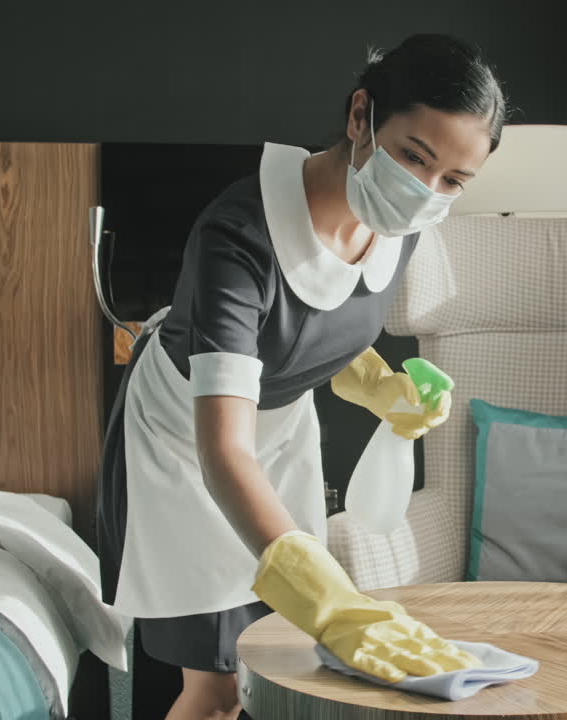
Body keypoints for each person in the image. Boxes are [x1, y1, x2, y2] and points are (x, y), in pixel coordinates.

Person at [96, 34, 507, 720]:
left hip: (279, 436)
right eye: (414, 156)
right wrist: (334, 602)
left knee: (272, 668)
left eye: (454, 181)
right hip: (185, 447)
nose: (426, 193)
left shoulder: (400, 224)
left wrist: (383, 388)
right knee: (218, 689)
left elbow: (317, 327)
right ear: (359, 117)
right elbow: (223, 448)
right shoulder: (240, 235)